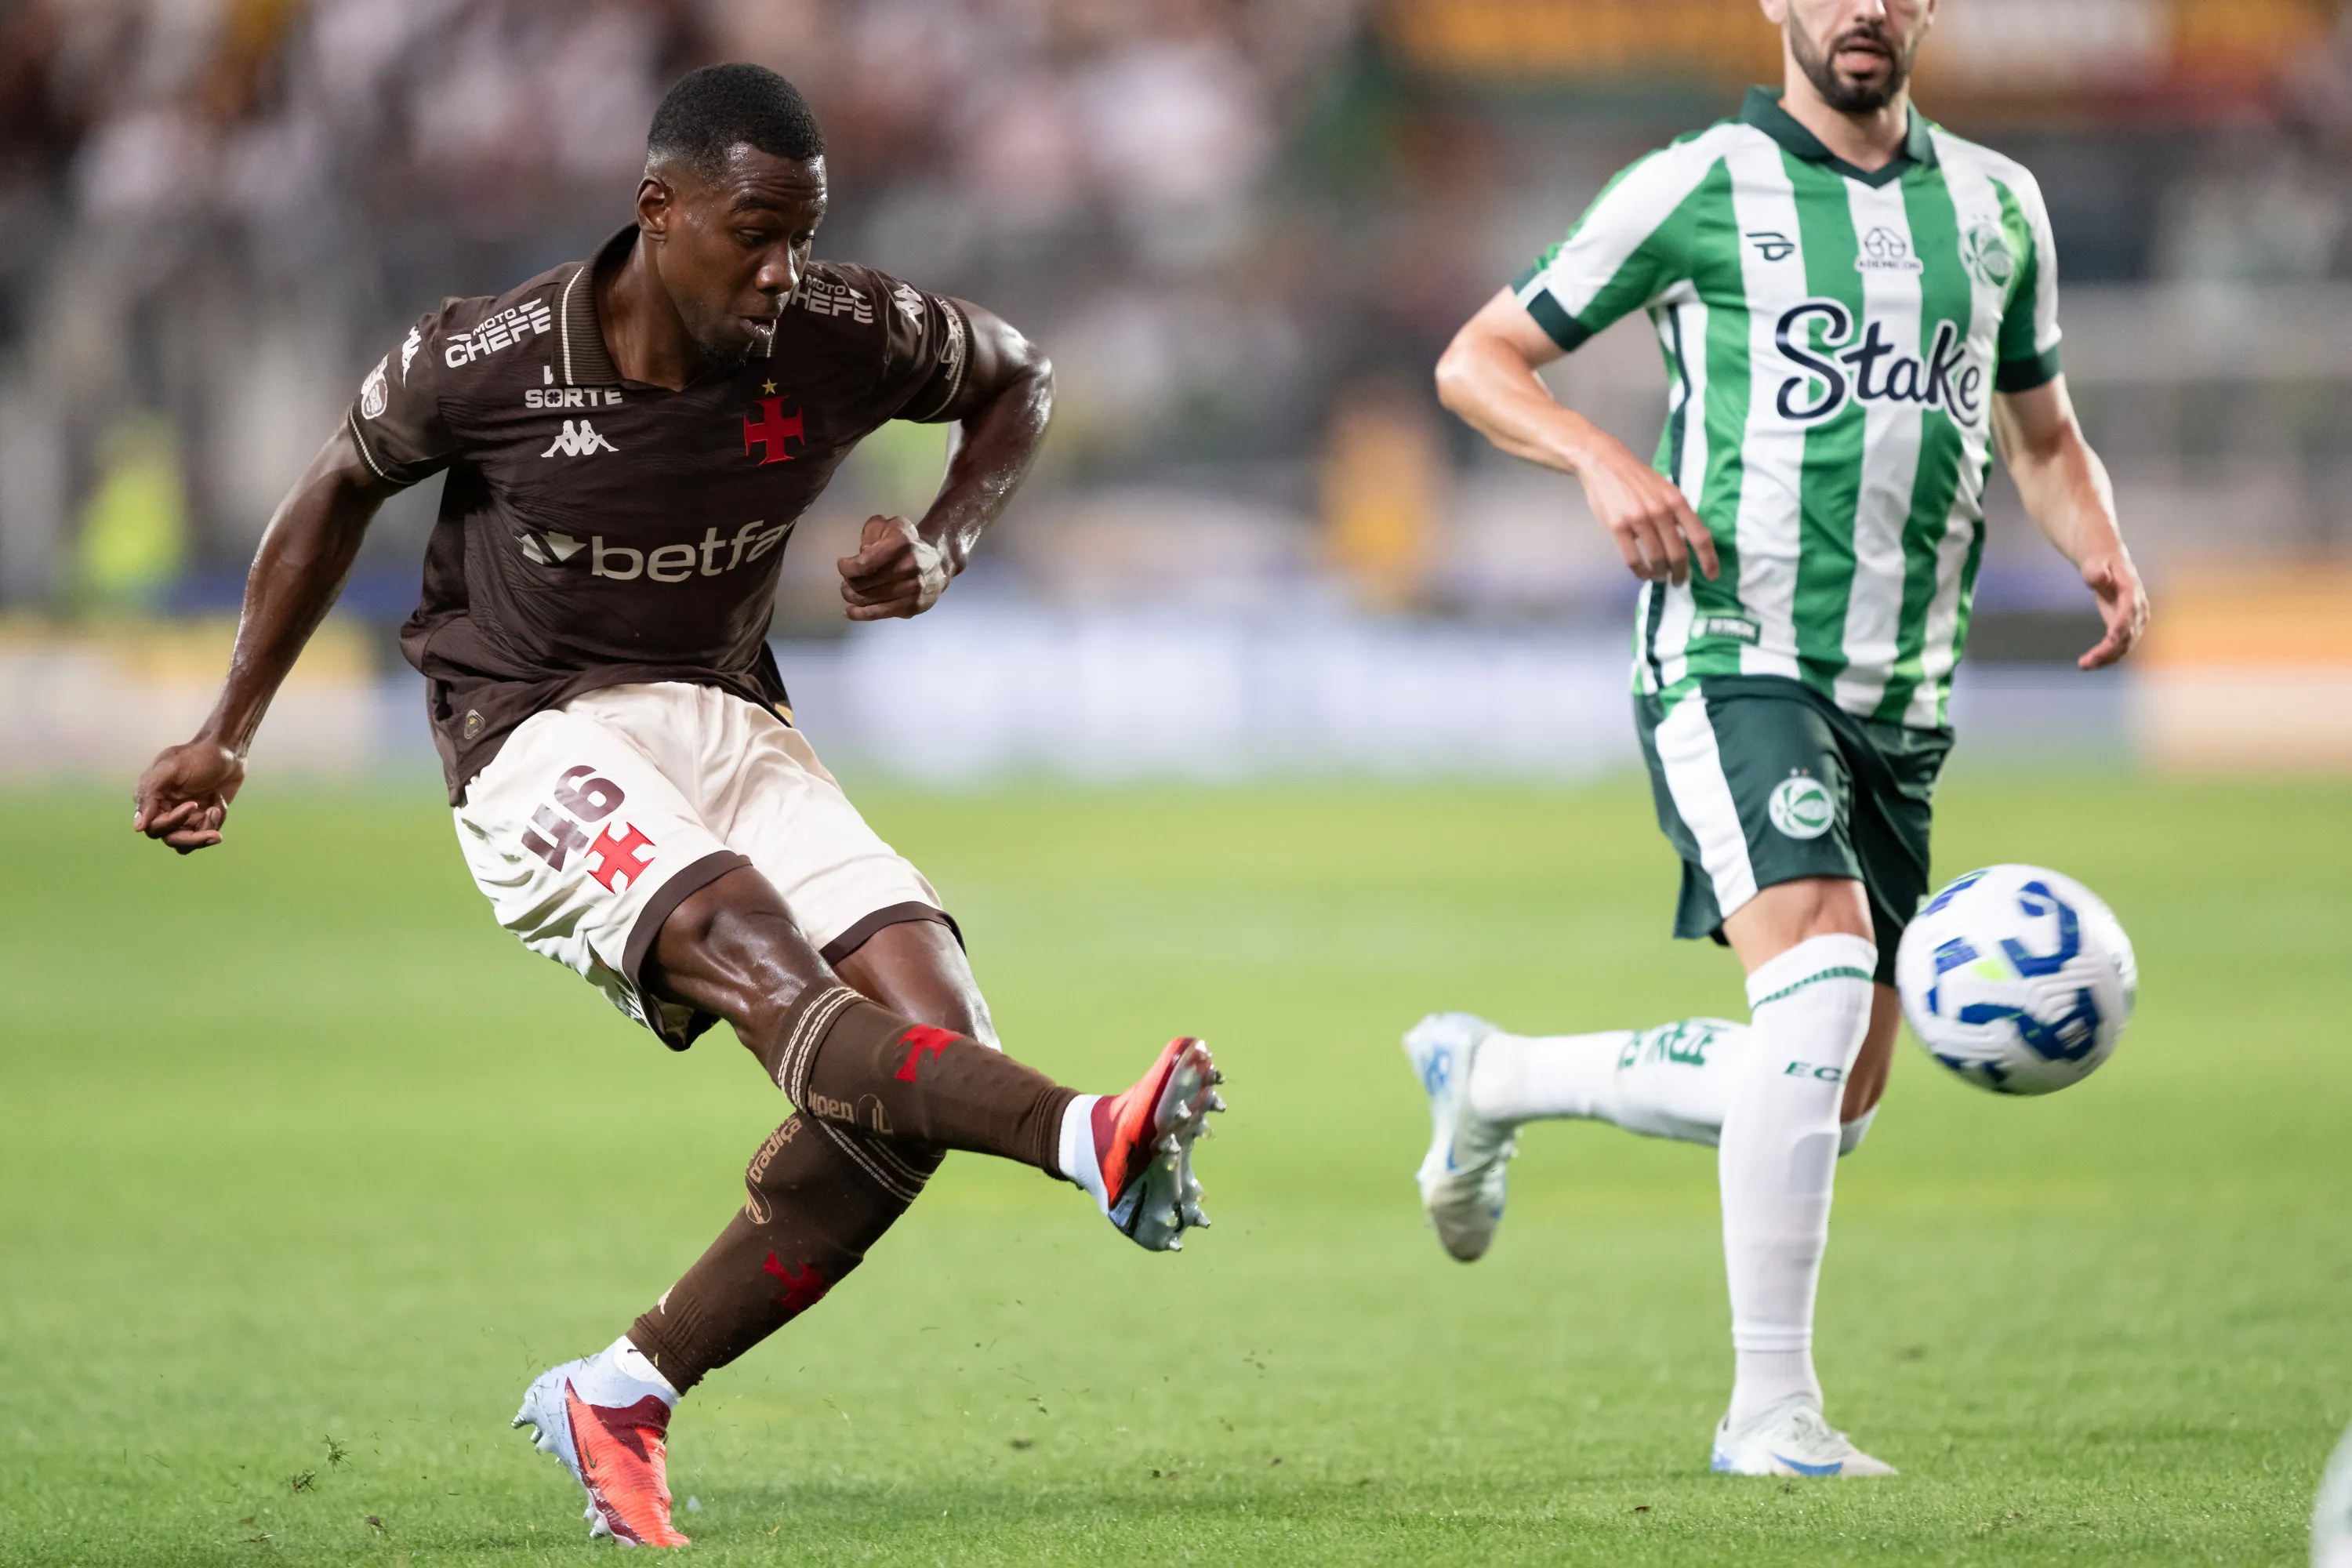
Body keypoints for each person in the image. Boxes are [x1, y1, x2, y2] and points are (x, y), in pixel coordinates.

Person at [131, 64, 1222, 1548]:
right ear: (660, 209)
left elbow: (1018, 376)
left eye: (806, 234)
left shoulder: (842, 328)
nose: (785, 271)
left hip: (727, 714)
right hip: (530, 733)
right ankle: (1090, 1135)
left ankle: (624, 1390)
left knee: (927, 1056)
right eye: (756, 233)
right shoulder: (495, 357)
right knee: (774, 974)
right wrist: (227, 732)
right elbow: (338, 485)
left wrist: (950, 545)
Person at [1404, 0, 2146, 1477]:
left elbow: (2041, 434)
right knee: (1809, 997)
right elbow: (1479, 360)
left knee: (1831, 1094)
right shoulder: (1697, 185)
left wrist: (2104, 544)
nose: (1860, 6)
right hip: (1734, 653)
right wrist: (1603, 458)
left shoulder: (2001, 204)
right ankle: (1770, 1415)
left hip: (1905, 701)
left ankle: (1495, 1078)